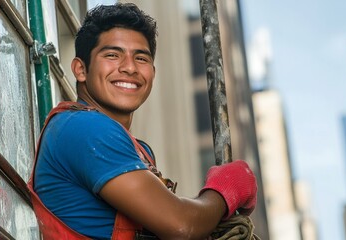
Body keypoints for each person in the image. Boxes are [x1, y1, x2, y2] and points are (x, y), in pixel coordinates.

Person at [29, 3, 257, 240]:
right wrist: (227, 188)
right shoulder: (84, 128)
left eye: (141, 58)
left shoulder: (136, 149)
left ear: (152, 73)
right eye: (112, 55)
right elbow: (181, 225)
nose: (129, 67)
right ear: (80, 69)